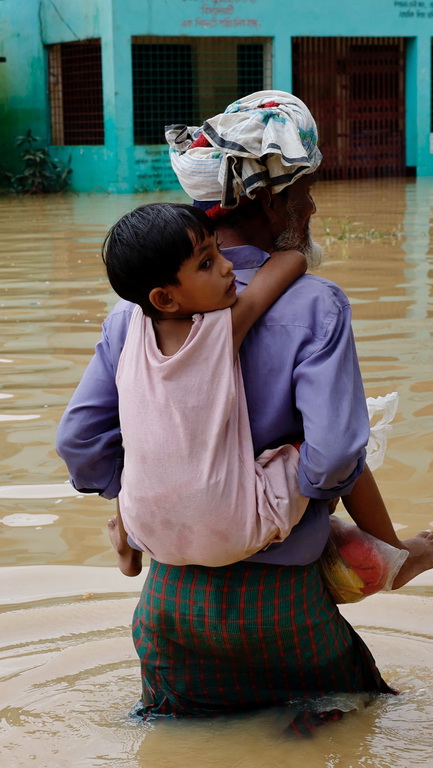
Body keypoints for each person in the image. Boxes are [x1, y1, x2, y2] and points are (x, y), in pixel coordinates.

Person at [56, 90, 433, 725]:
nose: (313, 206)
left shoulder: (138, 313)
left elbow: (80, 442)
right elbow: (336, 454)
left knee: (176, 742)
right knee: (345, 726)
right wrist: (321, 515)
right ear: (272, 199)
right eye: (307, 190)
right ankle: (392, 561)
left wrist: (145, 494)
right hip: (282, 605)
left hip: (168, 605)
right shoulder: (316, 304)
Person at [102, 202, 310, 576]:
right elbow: (291, 261)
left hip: (147, 532)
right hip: (236, 532)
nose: (228, 265)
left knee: (132, 447)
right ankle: (376, 546)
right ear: (164, 298)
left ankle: (125, 547)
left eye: (218, 250)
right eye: (207, 263)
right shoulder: (218, 332)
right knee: (327, 445)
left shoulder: (128, 328)